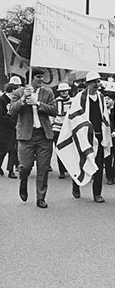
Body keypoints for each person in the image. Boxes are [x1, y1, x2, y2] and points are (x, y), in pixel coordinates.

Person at [58, 72, 112, 203]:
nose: (97, 85)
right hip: (83, 137)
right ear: (88, 83)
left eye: (98, 82)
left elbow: (104, 117)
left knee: (98, 164)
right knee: (81, 161)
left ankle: (97, 193)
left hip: (98, 136)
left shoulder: (101, 98)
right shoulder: (79, 98)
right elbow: (74, 117)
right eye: (94, 82)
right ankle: (76, 185)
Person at [9, 67, 58, 208]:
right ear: (31, 79)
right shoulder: (18, 93)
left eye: (42, 77)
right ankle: (23, 182)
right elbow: (12, 111)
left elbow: (54, 111)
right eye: (38, 77)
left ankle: (41, 197)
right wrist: (23, 99)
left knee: (43, 168)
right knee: (25, 166)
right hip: (26, 136)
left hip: (44, 135)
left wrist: (38, 103)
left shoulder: (47, 92)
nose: (41, 80)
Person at [52, 82, 72, 179]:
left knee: (70, 149)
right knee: (59, 149)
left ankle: (69, 167)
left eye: (65, 91)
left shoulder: (73, 101)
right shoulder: (55, 102)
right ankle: (61, 170)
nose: (63, 93)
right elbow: (52, 114)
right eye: (61, 91)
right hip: (58, 128)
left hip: (69, 128)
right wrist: (52, 125)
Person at [0, 81, 18, 178]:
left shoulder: (14, 101)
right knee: (2, 150)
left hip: (13, 128)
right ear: (13, 90)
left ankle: (11, 170)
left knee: (13, 149)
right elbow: (2, 116)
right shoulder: (2, 100)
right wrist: (13, 123)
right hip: (3, 129)